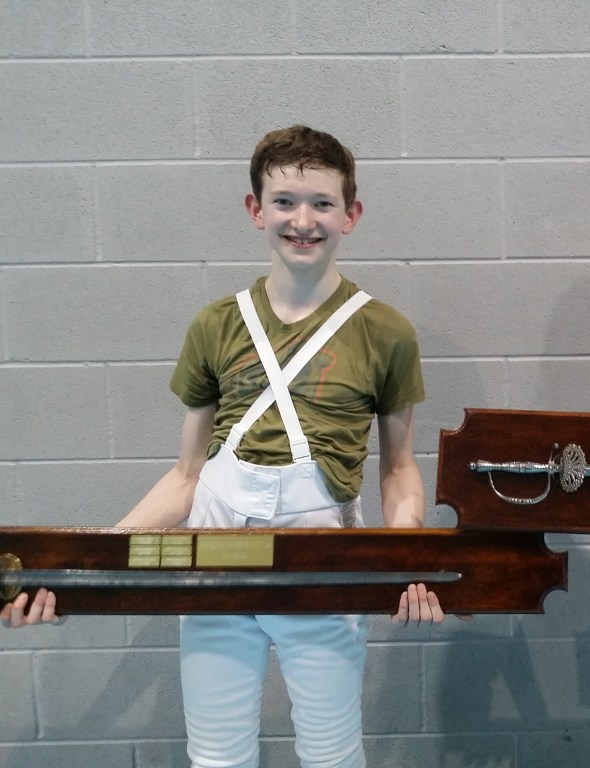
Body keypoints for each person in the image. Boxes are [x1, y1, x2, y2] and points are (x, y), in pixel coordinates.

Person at [2, 124, 444, 768]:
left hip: (321, 563)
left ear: (350, 215)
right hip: (213, 560)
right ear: (255, 209)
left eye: (322, 203)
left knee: (331, 754)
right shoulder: (217, 324)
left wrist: (411, 556)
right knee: (216, 756)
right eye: (285, 201)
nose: (303, 220)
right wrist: (86, 568)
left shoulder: (386, 331)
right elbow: (187, 475)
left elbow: (399, 468)